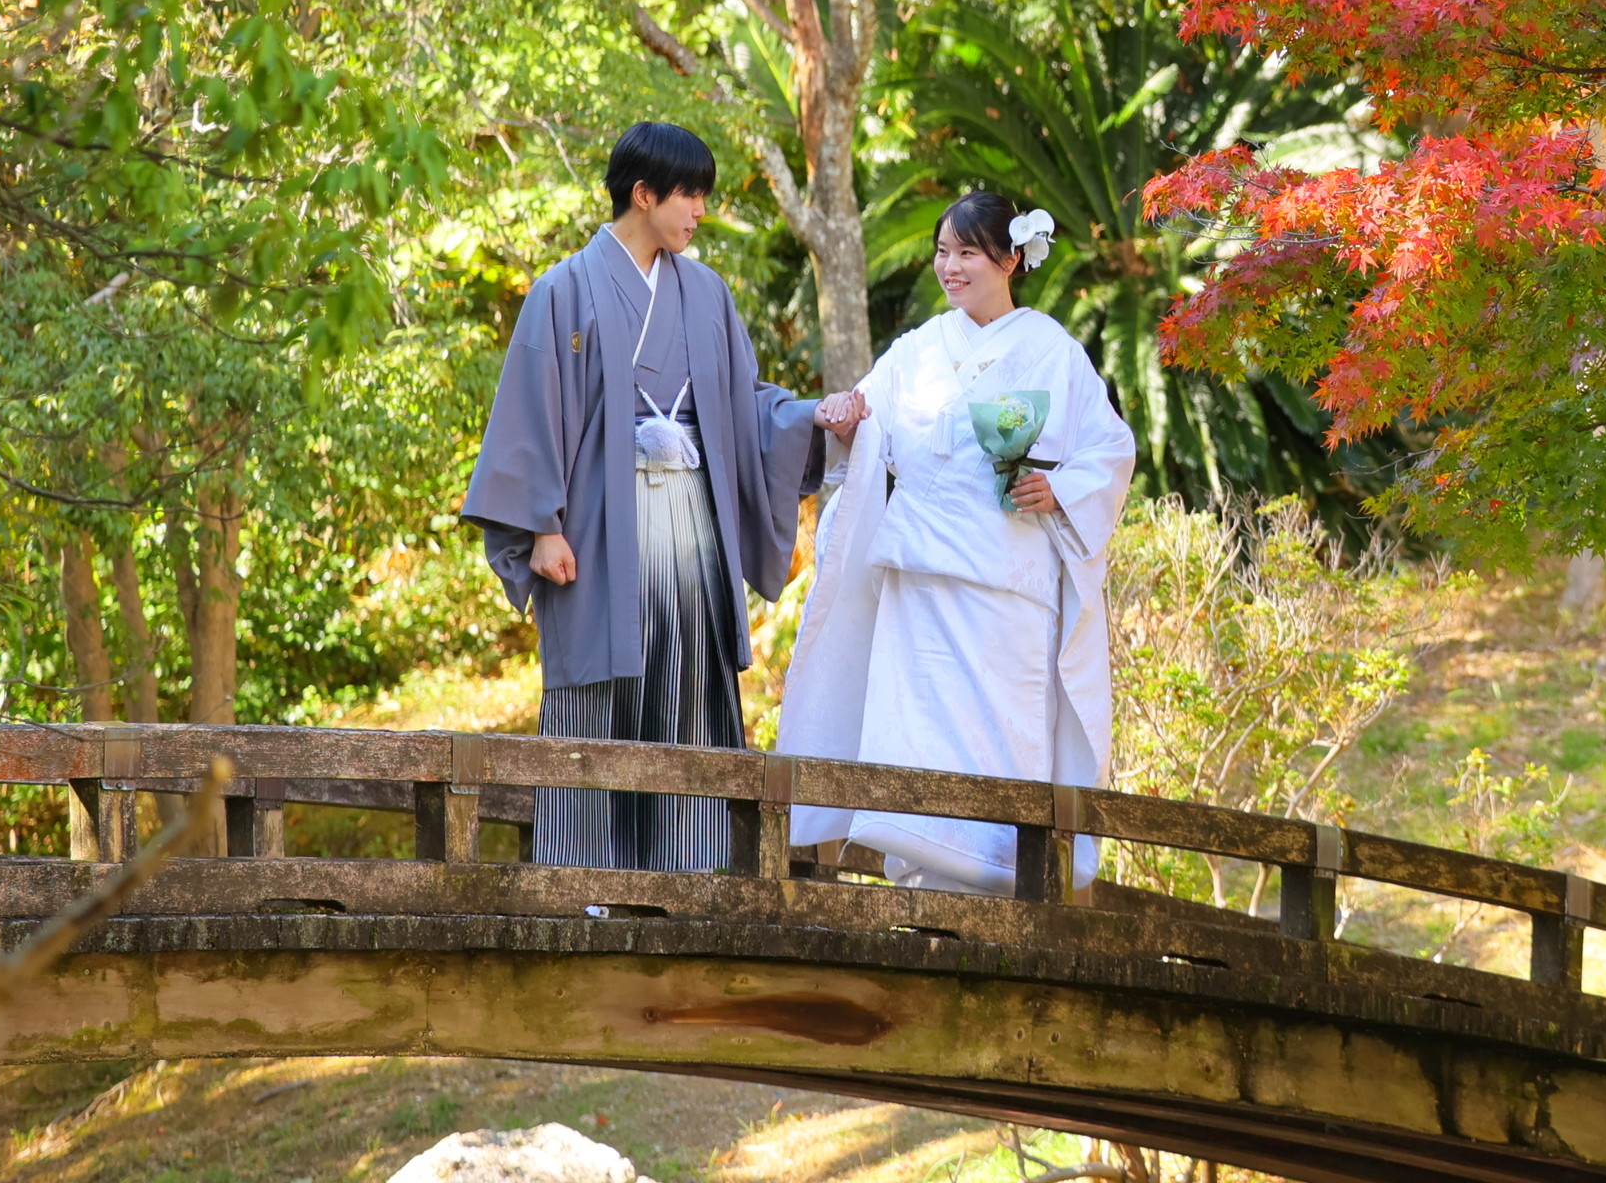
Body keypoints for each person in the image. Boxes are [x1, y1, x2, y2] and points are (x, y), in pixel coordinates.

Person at [461, 121, 866, 870]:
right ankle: (582, 878)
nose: (699, 211)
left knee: (688, 682)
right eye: (688, 195)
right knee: (598, 691)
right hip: (600, 523)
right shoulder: (564, 291)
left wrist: (813, 417)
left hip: (691, 523)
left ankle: (693, 874)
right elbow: (530, 411)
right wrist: (541, 525)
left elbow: (744, 405)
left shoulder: (705, 293)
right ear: (642, 195)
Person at [782, 191, 1134, 893]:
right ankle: (916, 877)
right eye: (943, 251)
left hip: (1005, 584)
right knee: (914, 731)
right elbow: (866, 427)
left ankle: (1003, 882)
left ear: (1010, 258)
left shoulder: (1051, 352)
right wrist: (846, 420)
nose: (950, 266)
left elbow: (1110, 450)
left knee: (999, 736)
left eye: (967, 252)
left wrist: (1059, 489)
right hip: (918, 577)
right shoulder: (917, 350)